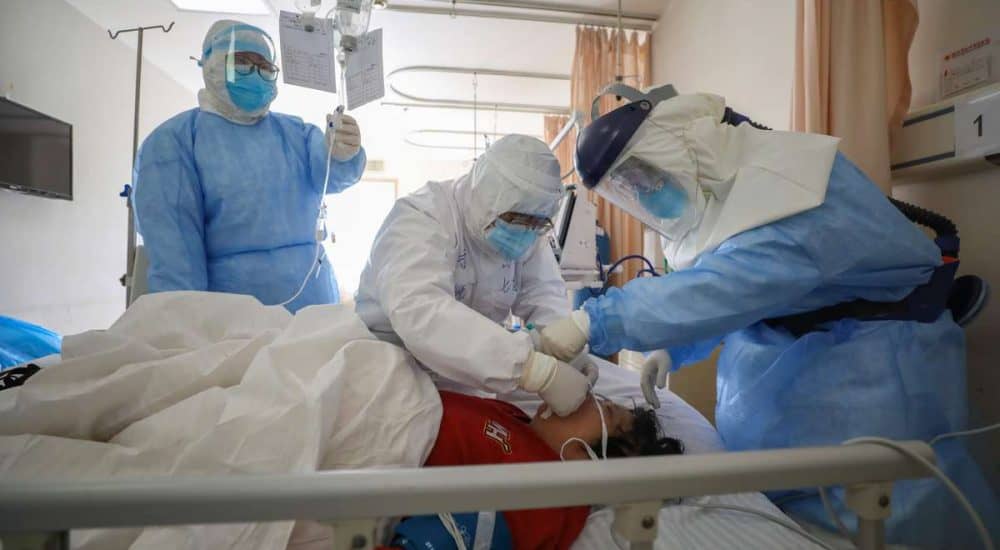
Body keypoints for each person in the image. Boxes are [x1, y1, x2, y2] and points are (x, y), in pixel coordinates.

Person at [537, 90, 998, 546]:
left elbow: (726, 286)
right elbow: (740, 289)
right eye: (628, 187)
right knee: (797, 503)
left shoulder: (793, 197)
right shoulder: (731, 201)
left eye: (642, 177)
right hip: (803, 368)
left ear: (680, 148)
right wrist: (675, 348)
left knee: (897, 512)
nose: (643, 194)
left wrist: (593, 322)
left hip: (873, 372)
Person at [355, 135, 596, 417]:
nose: (527, 231)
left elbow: (543, 295)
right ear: (484, 197)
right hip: (395, 371)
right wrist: (533, 370)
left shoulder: (528, 232)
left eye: (537, 223)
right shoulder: (421, 217)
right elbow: (421, 312)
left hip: (475, 370)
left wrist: (565, 354)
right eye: (516, 219)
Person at [133, 20, 366, 312]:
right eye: (242, 62)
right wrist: (188, 325)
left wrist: (343, 154)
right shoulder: (175, 142)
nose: (255, 73)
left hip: (313, 308)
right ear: (211, 66)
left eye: (264, 67)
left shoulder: (296, 133)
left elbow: (332, 175)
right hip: (230, 319)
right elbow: (176, 263)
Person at [382, 390, 683, 550]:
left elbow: (448, 540)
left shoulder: (544, 501)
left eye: (605, 409)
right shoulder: (522, 423)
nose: (586, 397)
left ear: (593, 459)